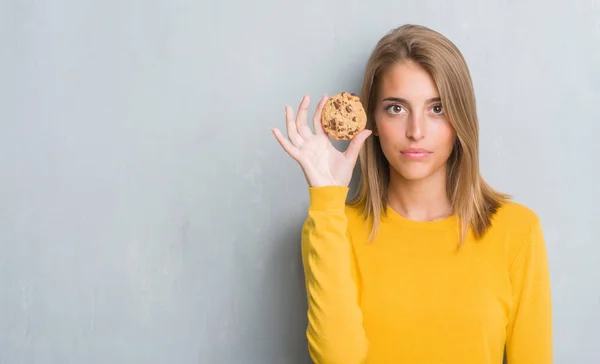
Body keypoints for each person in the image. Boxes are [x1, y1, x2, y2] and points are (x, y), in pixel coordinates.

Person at [271, 24, 552, 364]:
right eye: (396, 108)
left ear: (461, 118)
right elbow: (337, 358)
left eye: (437, 109)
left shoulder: (516, 230)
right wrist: (328, 198)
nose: (416, 132)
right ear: (371, 120)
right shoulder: (332, 226)